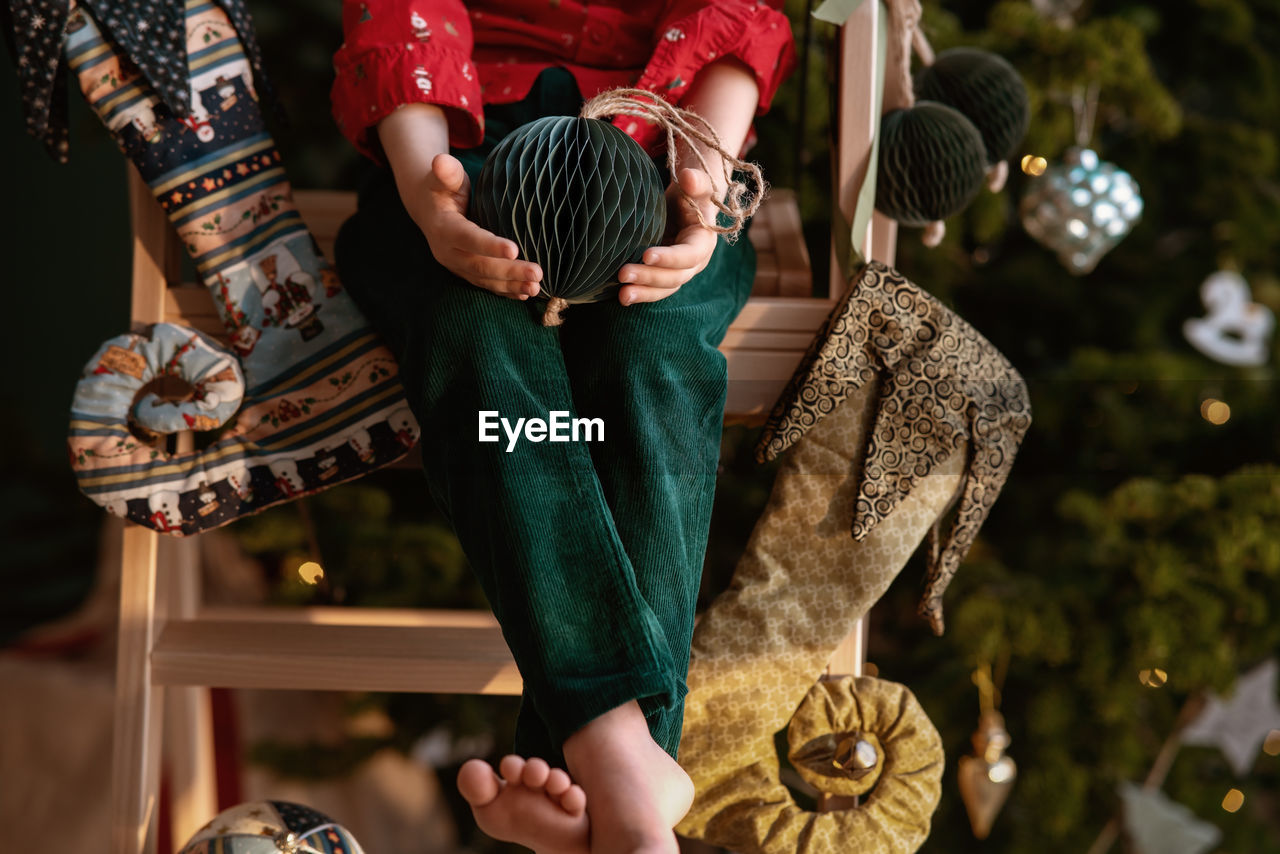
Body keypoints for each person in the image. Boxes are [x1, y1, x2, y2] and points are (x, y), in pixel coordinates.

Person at [330, 3, 795, 852]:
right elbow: (399, 23)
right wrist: (433, 207)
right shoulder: (441, 177)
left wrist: (702, 193)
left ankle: (596, 761)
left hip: (664, 160)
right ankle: (623, 747)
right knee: (472, 333)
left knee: (651, 350)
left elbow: (737, 27)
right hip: (450, 158)